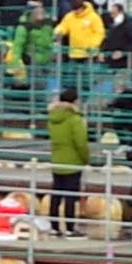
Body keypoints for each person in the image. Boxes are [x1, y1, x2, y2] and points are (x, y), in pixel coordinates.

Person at [44, 85, 91, 232]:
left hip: (57, 160)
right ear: (75, 101)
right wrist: (86, 159)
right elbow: (81, 142)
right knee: (70, 196)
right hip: (73, 161)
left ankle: (54, 227)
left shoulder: (52, 118)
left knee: (56, 194)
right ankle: (70, 228)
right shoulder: (75, 119)